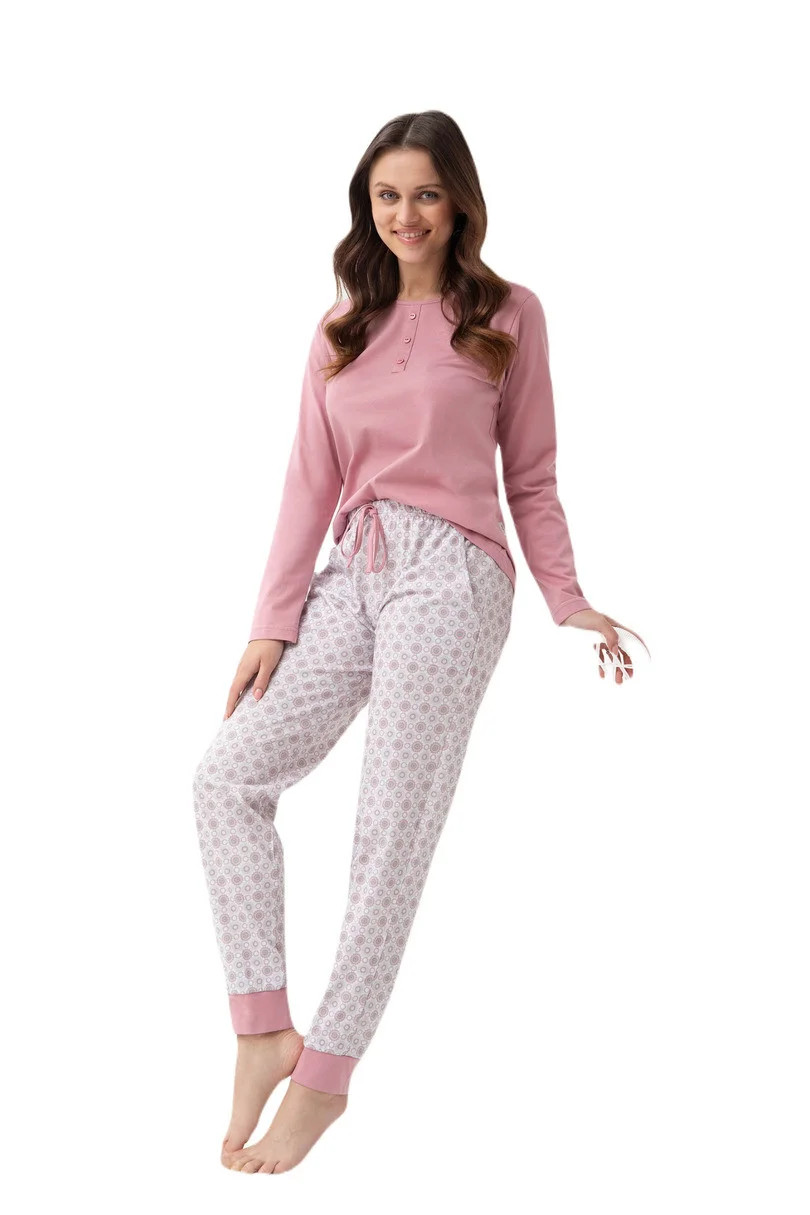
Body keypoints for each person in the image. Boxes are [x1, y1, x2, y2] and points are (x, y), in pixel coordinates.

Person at [192, 109, 630, 1176]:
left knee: (389, 831)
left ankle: (326, 1076)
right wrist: (272, 621)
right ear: (366, 207)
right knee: (226, 778)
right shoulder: (340, 328)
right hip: (357, 565)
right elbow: (308, 483)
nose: (405, 215)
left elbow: (532, 476)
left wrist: (568, 598)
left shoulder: (509, 315)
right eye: (386, 196)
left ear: (459, 201)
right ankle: (264, 1028)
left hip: (456, 574)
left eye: (425, 193)